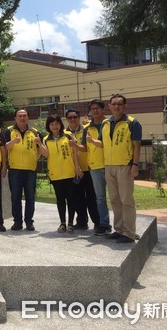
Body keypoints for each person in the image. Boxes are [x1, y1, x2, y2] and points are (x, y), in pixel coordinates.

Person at [91, 94, 142, 244]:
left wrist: (135, 165)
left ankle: (129, 232)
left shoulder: (132, 123)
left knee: (126, 200)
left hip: (125, 166)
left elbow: (136, 145)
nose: (117, 106)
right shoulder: (106, 124)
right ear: (110, 106)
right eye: (114, 104)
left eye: (120, 104)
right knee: (114, 199)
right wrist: (90, 140)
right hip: (109, 166)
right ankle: (119, 229)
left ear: (125, 106)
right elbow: (102, 143)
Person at [4, 108, 47, 231]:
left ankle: (29, 222)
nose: (22, 118)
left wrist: (33, 158)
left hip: (30, 170)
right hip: (15, 170)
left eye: (25, 116)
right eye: (20, 116)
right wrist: (13, 142)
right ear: (15, 118)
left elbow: (40, 150)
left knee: (30, 197)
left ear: (28, 117)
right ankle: (17, 222)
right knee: (15, 197)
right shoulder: (8, 131)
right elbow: (4, 148)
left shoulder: (35, 132)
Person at [42, 115, 82, 233]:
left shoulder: (68, 135)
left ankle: (70, 223)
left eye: (57, 123)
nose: (55, 126)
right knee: (60, 199)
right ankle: (62, 223)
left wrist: (77, 167)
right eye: (52, 124)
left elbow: (75, 153)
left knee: (71, 199)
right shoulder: (46, 139)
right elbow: (46, 155)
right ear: (48, 126)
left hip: (70, 173)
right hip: (55, 174)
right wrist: (39, 143)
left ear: (60, 124)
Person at [80, 99, 112, 236]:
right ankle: (104, 224)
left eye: (97, 108)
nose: (95, 111)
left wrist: (93, 141)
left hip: (112, 164)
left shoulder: (110, 124)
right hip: (95, 167)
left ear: (103, 109)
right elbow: (84, 148)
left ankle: (122, 226)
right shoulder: (87, 128)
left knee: (118, 197)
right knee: (100, 198)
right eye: (92, 109)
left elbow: (107, 144)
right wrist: (74, 145)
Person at [65, 108, 99, 231]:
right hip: (74, 171)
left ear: (78, 118)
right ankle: (81, 222)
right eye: (70, 118)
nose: (73, 119)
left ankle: (97, 222)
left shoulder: (86, 130)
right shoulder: (65, 134)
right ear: (67, 119)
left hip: (89, 169)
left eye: (75, 117)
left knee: (92, 197)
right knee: (78, 198)